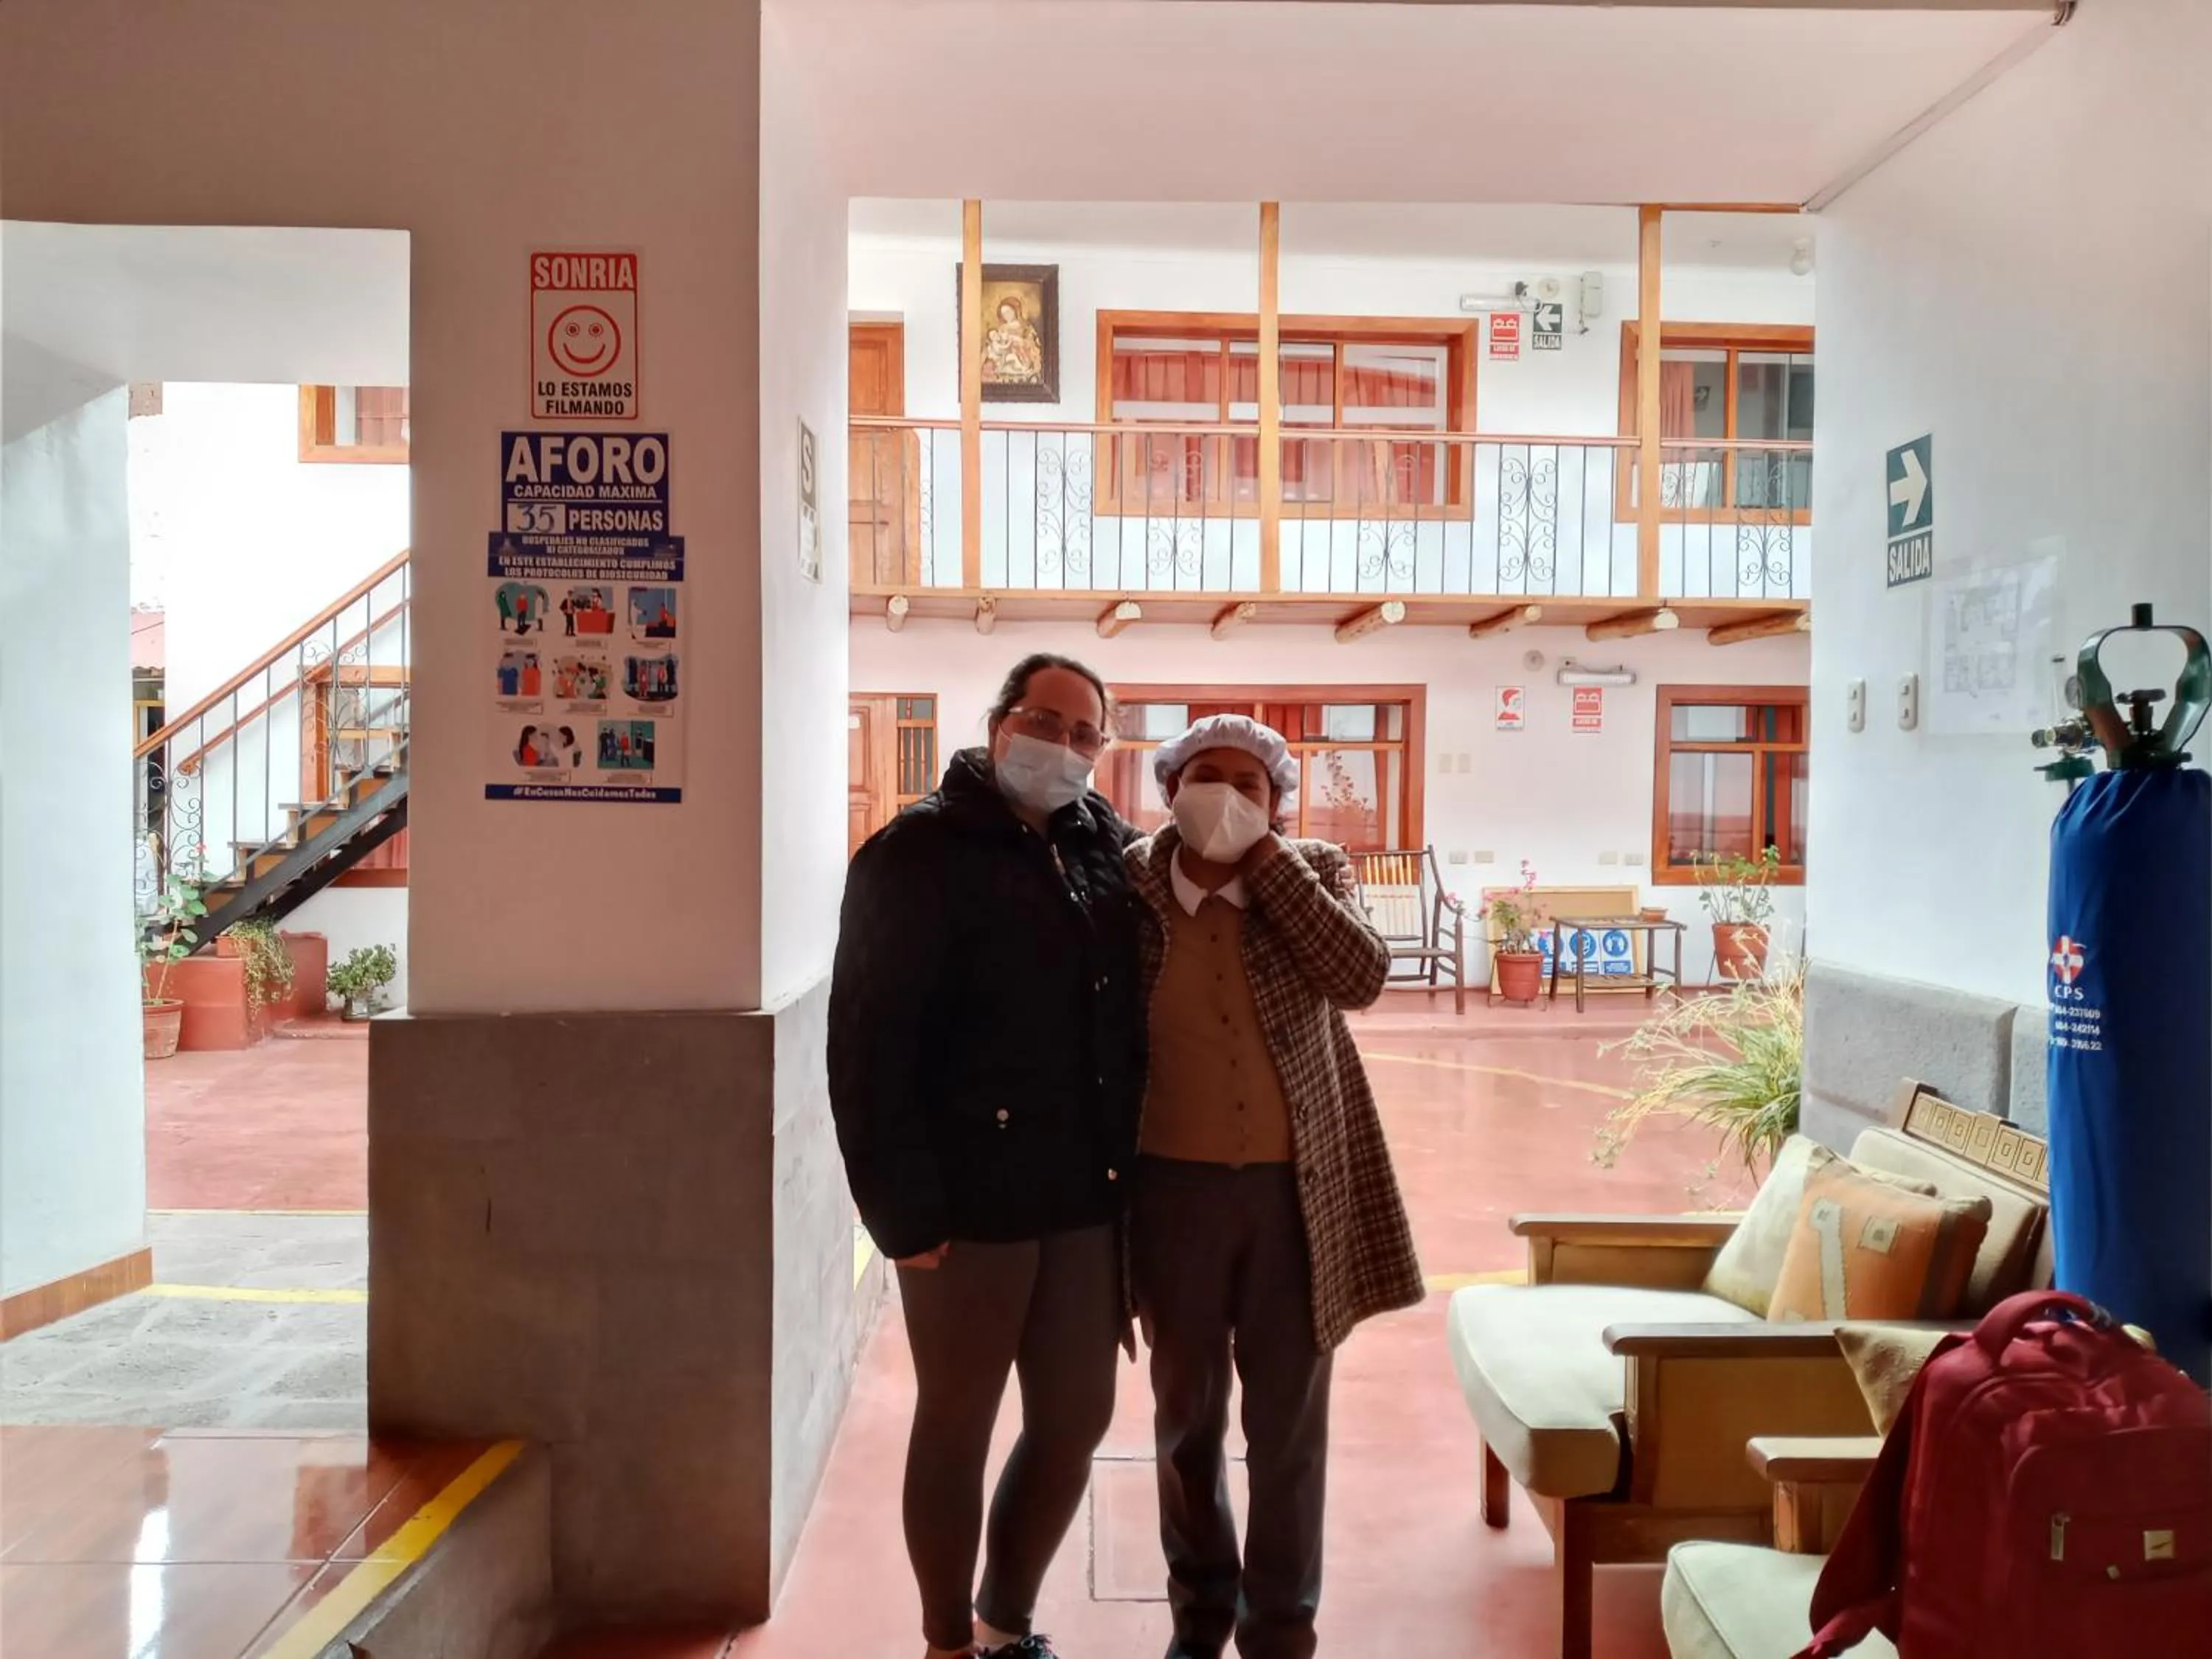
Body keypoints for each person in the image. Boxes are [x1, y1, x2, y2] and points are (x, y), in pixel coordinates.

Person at [829, 653, 1145, 1659]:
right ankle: (945, 1642)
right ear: (1003, 720)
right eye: (1047, 720)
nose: (1065, 744)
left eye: (1088, 732)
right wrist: (900, 1210)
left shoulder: (1106, 846)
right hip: (965, 1199)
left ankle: (1005, 1620)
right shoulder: (913, 852)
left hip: (1084, 1192)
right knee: (958, 1420)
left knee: (1076, 1415)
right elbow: (866, 1044)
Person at [1124, 714, 1423, 1659]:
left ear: (1278, 802)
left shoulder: (1316, 871)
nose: (1225, 794)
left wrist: (1272, 865)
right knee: (1186, 1421)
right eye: (1205, 776)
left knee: (1288, 1427)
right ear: (1168, 787)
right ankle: (1200, 1611)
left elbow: (1362, 976)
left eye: (1250, 784)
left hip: (1299, 1197)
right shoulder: (1127, 885)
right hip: (1169, 1196)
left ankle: (1282, 1625)